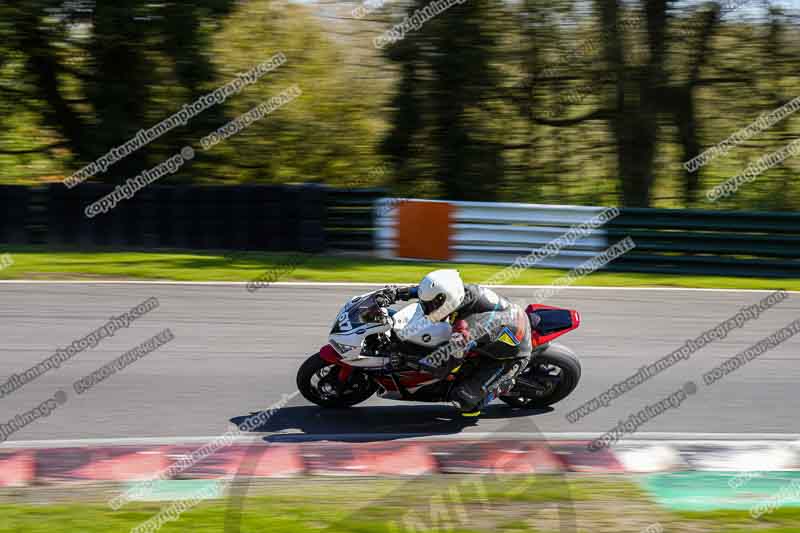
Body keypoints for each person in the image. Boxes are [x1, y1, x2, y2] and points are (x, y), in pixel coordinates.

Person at [376, 269, 532, 417]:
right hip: (501, 326)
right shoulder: (459, 292)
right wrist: (397, 293)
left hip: (511, 355)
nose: (426, 309)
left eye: (430, 306)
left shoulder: (468, 329)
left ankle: (505, 383)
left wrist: (407, 360)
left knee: (464, 401)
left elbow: (444, 364)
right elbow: (431, 293)